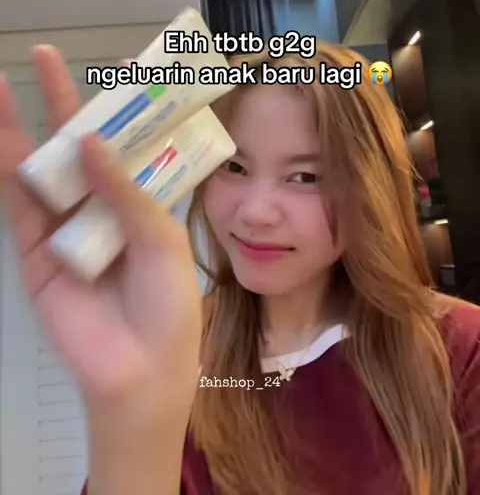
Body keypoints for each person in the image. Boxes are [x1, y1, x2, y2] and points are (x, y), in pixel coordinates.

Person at [0, 42, 479, 495]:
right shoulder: (173, 346)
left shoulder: (459, 348)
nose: (255, 212)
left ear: (369, 190)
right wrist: (126, 415)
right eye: (234, 167)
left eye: (305, 176)